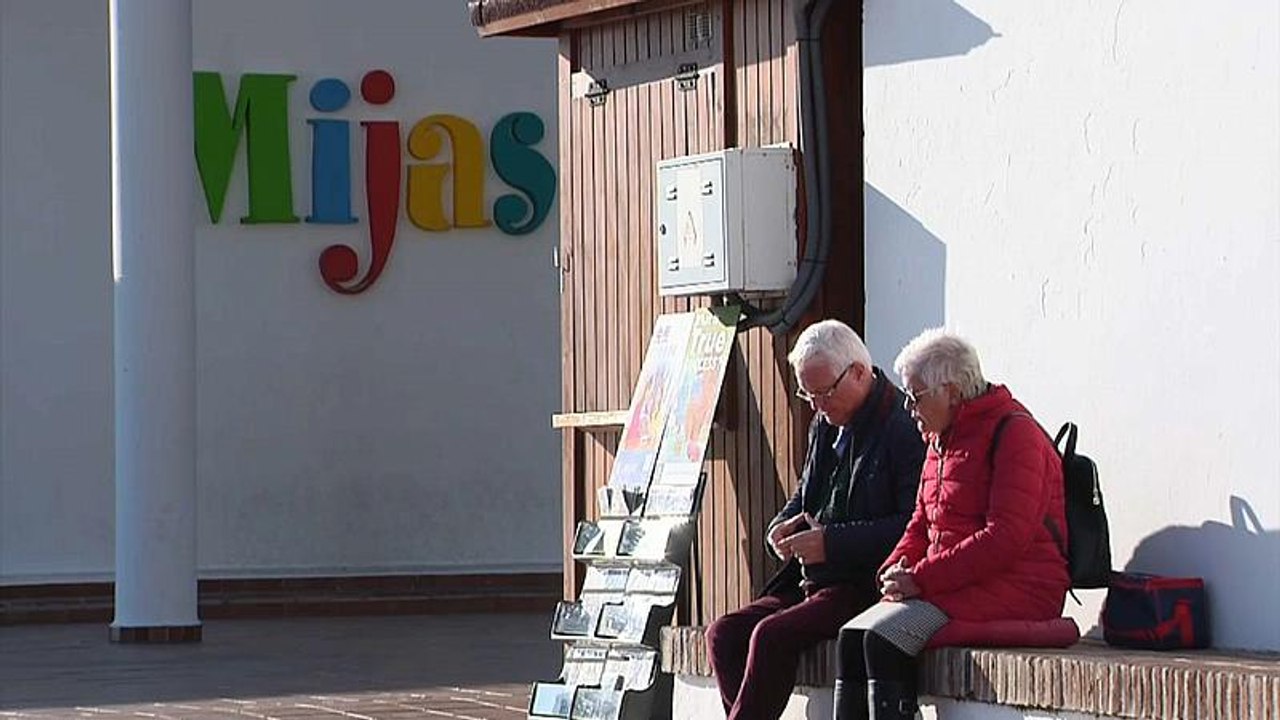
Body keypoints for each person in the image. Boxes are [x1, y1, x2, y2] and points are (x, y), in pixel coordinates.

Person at [832, 329, 1070, 720]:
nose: (909, 407)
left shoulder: (1015, 434)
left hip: (1020, 586)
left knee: (884, 640)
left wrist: (921, 579)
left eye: (916, 395)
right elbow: (921, 522)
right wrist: (896, 568)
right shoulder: (940, 438)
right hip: (953, 583)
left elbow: (1005, 538)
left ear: (953, 391)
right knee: (851, 637)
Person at [705, 320, 925, 720]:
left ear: (859, 372)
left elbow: (912, 524)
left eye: (824, 393)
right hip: (811, 579)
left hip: (864, 583)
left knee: (771, 637)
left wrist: (832, 542)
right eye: (807, 395)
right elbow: (805, 497)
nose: (818, 406)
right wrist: (782, 525)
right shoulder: (824, 423)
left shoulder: (902, 428)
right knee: (723, 633)